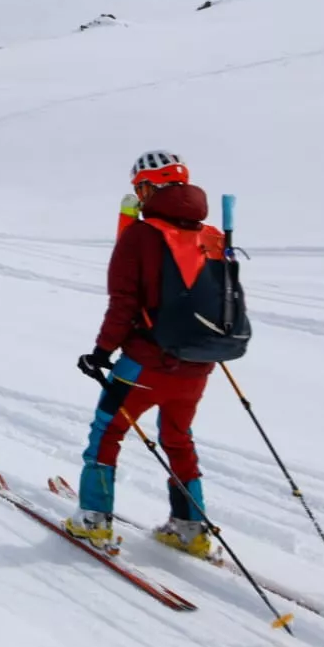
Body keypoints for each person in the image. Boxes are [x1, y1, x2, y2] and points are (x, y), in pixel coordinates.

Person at [65, 150, 236, 560]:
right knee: (178, 438)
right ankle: (190, 528)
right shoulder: (213, 235)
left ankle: (93, 519)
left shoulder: (140, 236)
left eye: (139, 189)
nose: (137, 197)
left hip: (144, 363)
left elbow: (123, 302)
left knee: (106, 432)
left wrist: (101, 352)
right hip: (198, 365)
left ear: (150, 188)